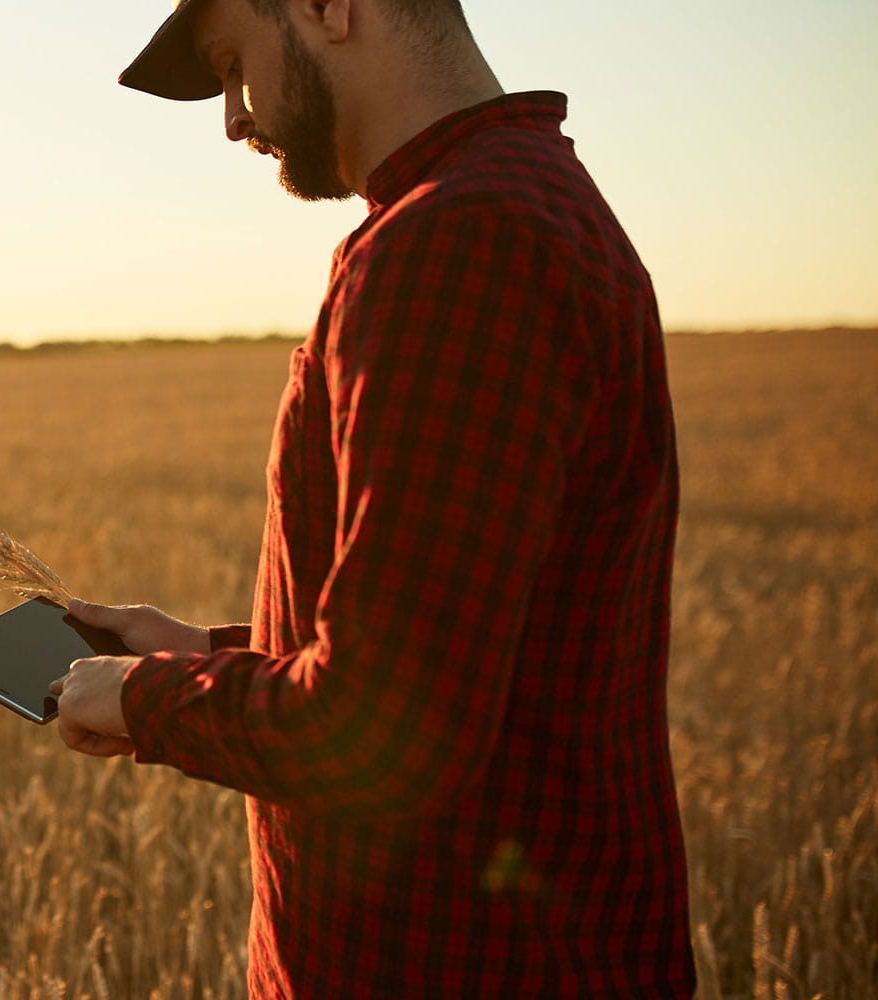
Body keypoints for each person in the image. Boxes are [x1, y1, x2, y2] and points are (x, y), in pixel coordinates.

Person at [46, 0, 695, 995]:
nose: (231, 117)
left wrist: (138, 698)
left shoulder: (455, 242)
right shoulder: (517, 201)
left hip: (452, 962)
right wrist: (207, 656)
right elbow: (450, 655)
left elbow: (389, 735)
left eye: (231, 64)